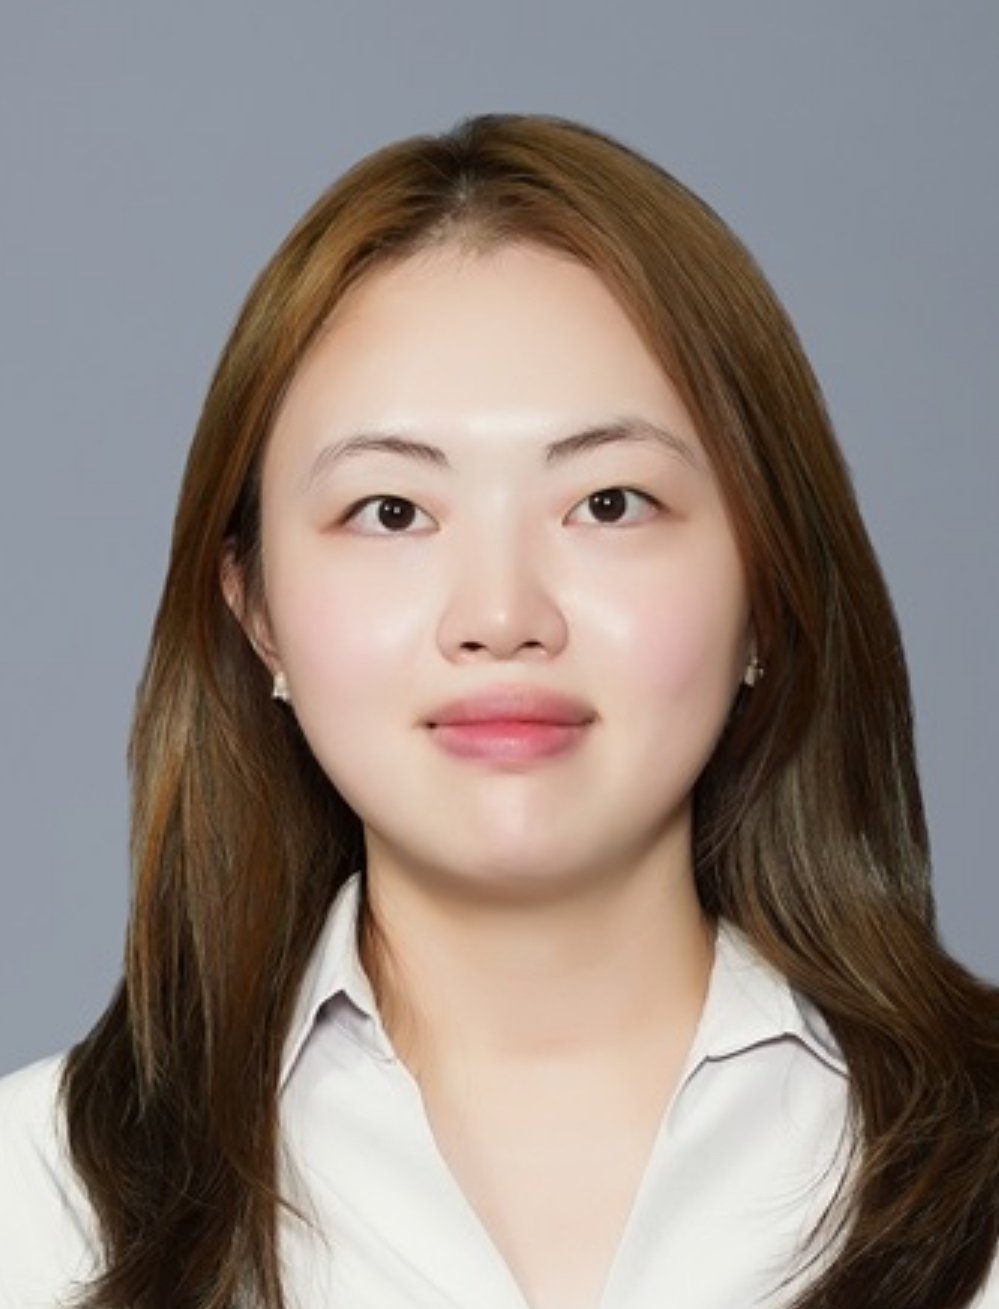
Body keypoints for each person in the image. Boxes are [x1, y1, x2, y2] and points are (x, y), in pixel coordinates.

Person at [0, 112, 996, 1309]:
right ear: (255, 609)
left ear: (767, 593)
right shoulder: (35, 1205)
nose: (501, 612)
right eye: (391, 511)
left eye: (611, 502)